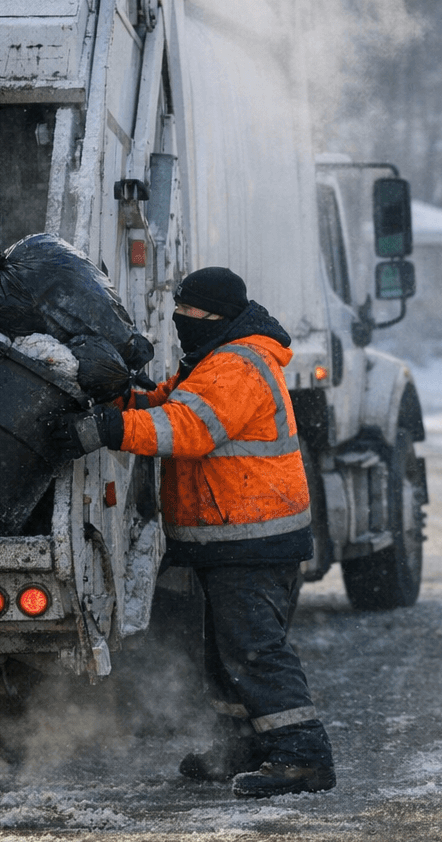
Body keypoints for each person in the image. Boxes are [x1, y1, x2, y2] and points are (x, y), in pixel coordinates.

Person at [53, 266, 336, 799]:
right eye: (178, 311)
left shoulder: (237, 364)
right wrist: (124, 403)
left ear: (219, 315)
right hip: (233, 535)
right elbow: (170, 404)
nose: (181, 320)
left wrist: (109, 429)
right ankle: (243, 745)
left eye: (191, 313)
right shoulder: (213, 358)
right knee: (225, 650)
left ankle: (303, 756)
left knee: (254, 649)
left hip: (254, 535)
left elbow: (189, 429)